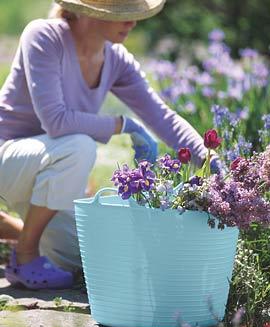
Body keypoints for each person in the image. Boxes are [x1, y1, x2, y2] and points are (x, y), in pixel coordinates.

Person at [0, 0, 219, 290]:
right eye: (122, 15)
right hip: (9, 156)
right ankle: (25, 256)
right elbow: (56, 121)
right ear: (90, 12)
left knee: (86, 253)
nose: (132, 22)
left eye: (134, 14)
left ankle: (11, 228)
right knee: (79, 146)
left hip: (46, 166)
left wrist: (216, 167)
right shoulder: (44, 36)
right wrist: (124, 125)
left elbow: (163, 117)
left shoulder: (116, 59)